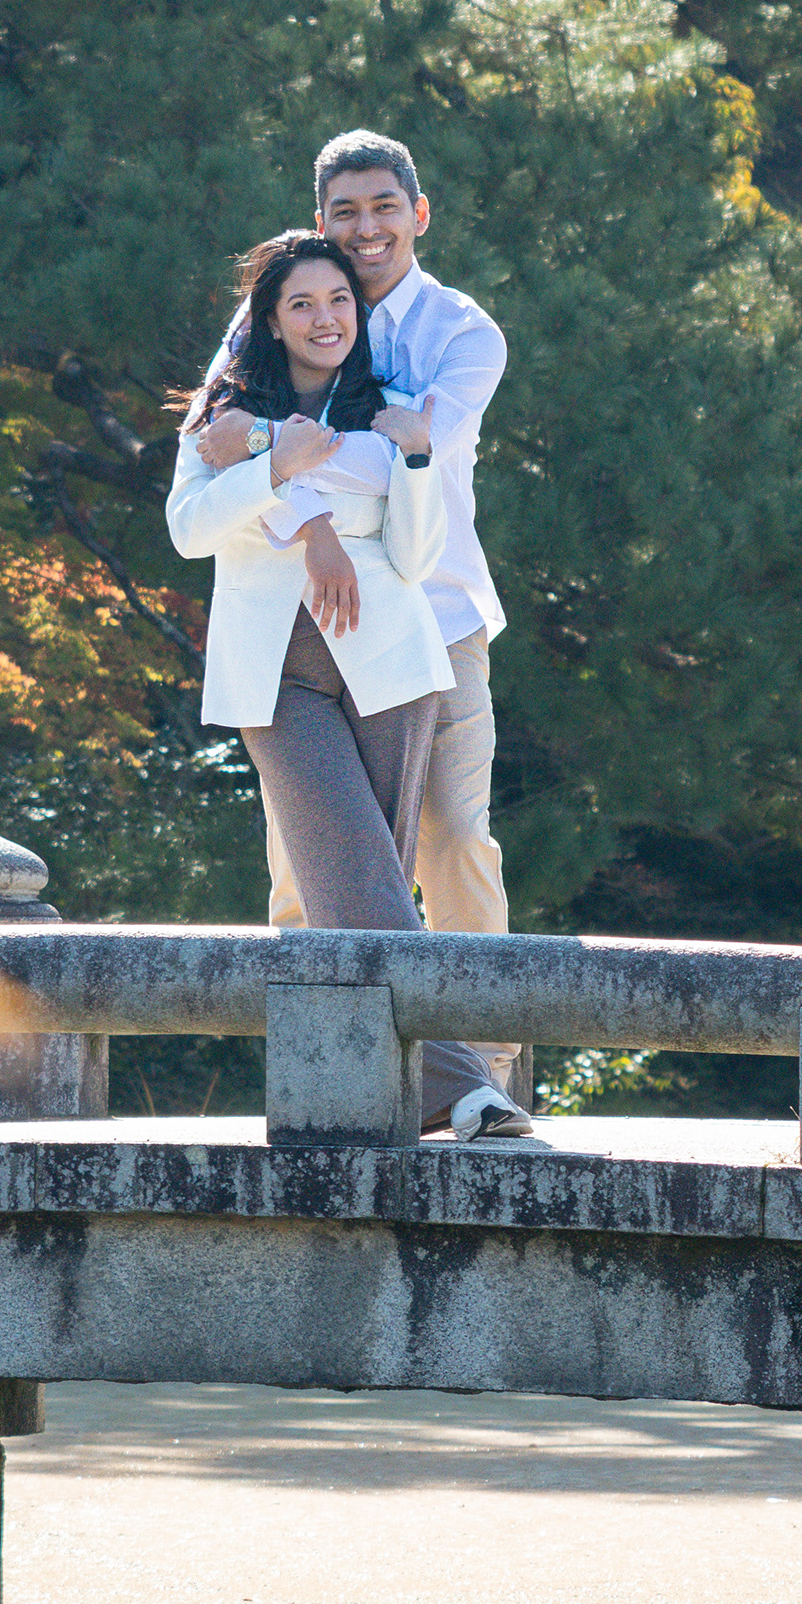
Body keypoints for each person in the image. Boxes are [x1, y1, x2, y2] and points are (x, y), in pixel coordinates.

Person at [166, 228, 530, 1141]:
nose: (325, 318)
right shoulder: (224, 417)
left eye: (338, 302)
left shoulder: (394, 404)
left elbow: (414, 554)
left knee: (370, 880)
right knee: (355, 872)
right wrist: (277, 475)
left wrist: (410, 460)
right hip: (278, 675)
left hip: (395, 667)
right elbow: (188, 529)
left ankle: (362, 1097)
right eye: (302, 304)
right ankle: (468, 1090)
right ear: (272, 319)